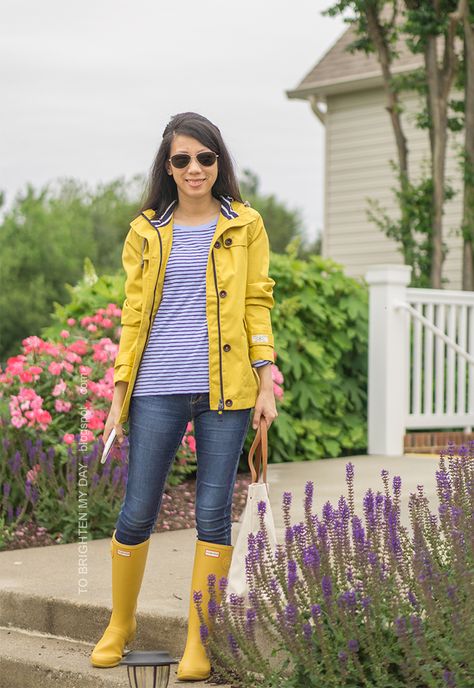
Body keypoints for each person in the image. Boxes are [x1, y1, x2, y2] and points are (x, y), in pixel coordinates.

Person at [90, 111, 277, 681]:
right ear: (167, 167)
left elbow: (256, 303)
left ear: (219, 163)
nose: (194, 169)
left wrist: (267, 374)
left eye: (205, 157)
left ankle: (199, 638)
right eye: (182, 159)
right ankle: (120, 624)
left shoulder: (245, 225)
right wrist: (121, 390)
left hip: (228, 391)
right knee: (138, 508)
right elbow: (134, 315)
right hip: (156, 389)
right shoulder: (146, 229)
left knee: (213, 512)